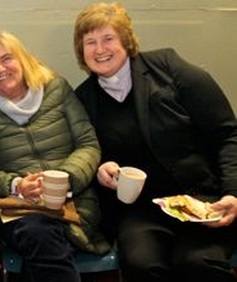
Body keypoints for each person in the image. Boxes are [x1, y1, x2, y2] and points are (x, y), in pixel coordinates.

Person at [73, 2, 237, 281]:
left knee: (196, 264)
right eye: (90, 42)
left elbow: (227, 134)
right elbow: (88, 153)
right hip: (141, 212)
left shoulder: (169, 67)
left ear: (126, 40)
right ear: (81, 51)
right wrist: (102, 167)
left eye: (108, 38)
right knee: (141, 265)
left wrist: (233, 193)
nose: (100, 50)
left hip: (202, 201)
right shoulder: (84, 99)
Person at [0, 30, 109, 282]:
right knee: (38, 233)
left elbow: (88, 144)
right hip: (20, 209)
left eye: (7, 58)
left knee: (43, 246)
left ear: (22, 59)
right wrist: (17, 185)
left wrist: (65, 178)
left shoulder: (57, 88)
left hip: (75, 202)